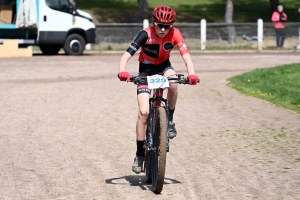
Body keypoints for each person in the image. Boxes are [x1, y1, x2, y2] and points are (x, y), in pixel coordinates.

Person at [118, 5, 199, 174]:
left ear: (172, 25)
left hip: (163, 67)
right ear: (153, 23)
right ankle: (139, 155)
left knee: (174, 83)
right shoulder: (145, 34)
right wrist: (122, 70)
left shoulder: (175, 34)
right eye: (159, 25)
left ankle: (169, 120)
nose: (162, 29)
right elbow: (126, 55)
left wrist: (192, 74)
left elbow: (186, 56)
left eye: (166, 26)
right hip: (145, 70)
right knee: (144, 112)